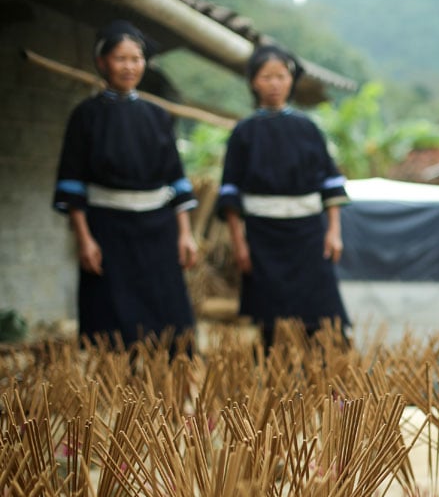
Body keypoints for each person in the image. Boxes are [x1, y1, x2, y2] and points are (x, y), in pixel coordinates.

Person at [53, 20, 198, 349]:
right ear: (102, 62)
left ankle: (167, 377)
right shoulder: (85, 116)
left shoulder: (158, 116)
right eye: (121, 58)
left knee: (168, 315)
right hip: (108, 230)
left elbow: (176, 179)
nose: (130, 67)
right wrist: (84, 240)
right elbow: (72, 184)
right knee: (110, 317)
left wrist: (185, 234)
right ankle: (116, 379)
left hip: (159, 230)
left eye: (136, 59)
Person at [216, 45, 351, 348]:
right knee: (271, 318)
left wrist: (334, 232)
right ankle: (276, 373)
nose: (274, 84)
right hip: (263, 237)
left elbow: (330, 184)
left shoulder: (308, 128)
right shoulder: (243, 132)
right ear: (254, 82)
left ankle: (325, 372)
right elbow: (230, 193)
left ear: (291, 81)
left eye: (281, 76)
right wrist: (240, 244)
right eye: (267, 77)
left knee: (322, 315)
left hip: (309, 235)